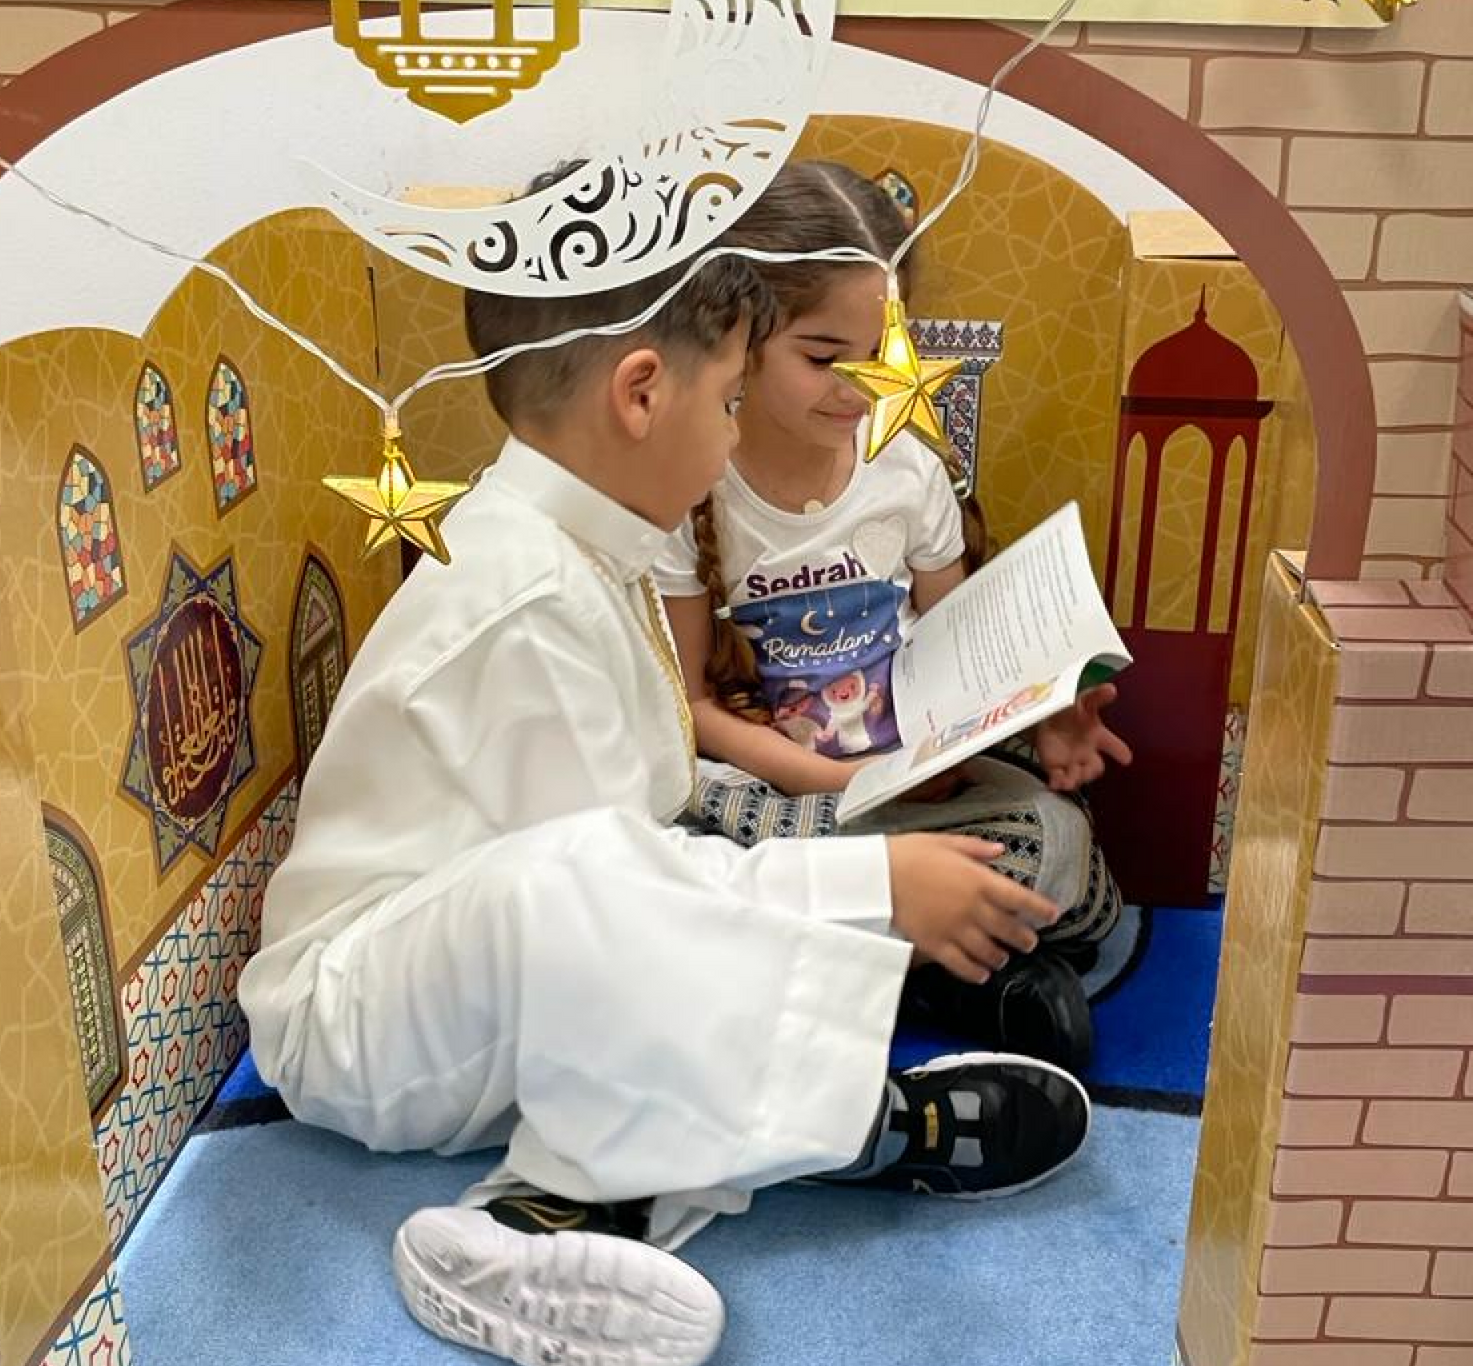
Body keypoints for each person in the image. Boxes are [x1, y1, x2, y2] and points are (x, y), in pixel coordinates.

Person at [238, 167, 1093, 1366]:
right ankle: (845, 1130)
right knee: (653, 896)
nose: (739, 434)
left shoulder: (592, 548)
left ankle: (570, 1212)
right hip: (379, 1020)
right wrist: (867, 889)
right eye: (733, 400)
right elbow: (612, 896)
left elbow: (646, 858)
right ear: (643, 393)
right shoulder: (522, 593)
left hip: (516, 976)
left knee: (711, 880)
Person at [657, 161, 1133, 1071]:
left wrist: (1054, 709)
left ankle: (890, 954)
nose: (855, 388)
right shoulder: (693, 491)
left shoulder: (905, 476)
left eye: (875, 356)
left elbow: (965, 664)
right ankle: (949, 967)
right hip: (782, 801)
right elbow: (693, 713)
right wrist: (835, 787)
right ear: (741, 341)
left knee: (1052, 842)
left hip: (912, 792)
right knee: (683, 848)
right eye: (823, 358)